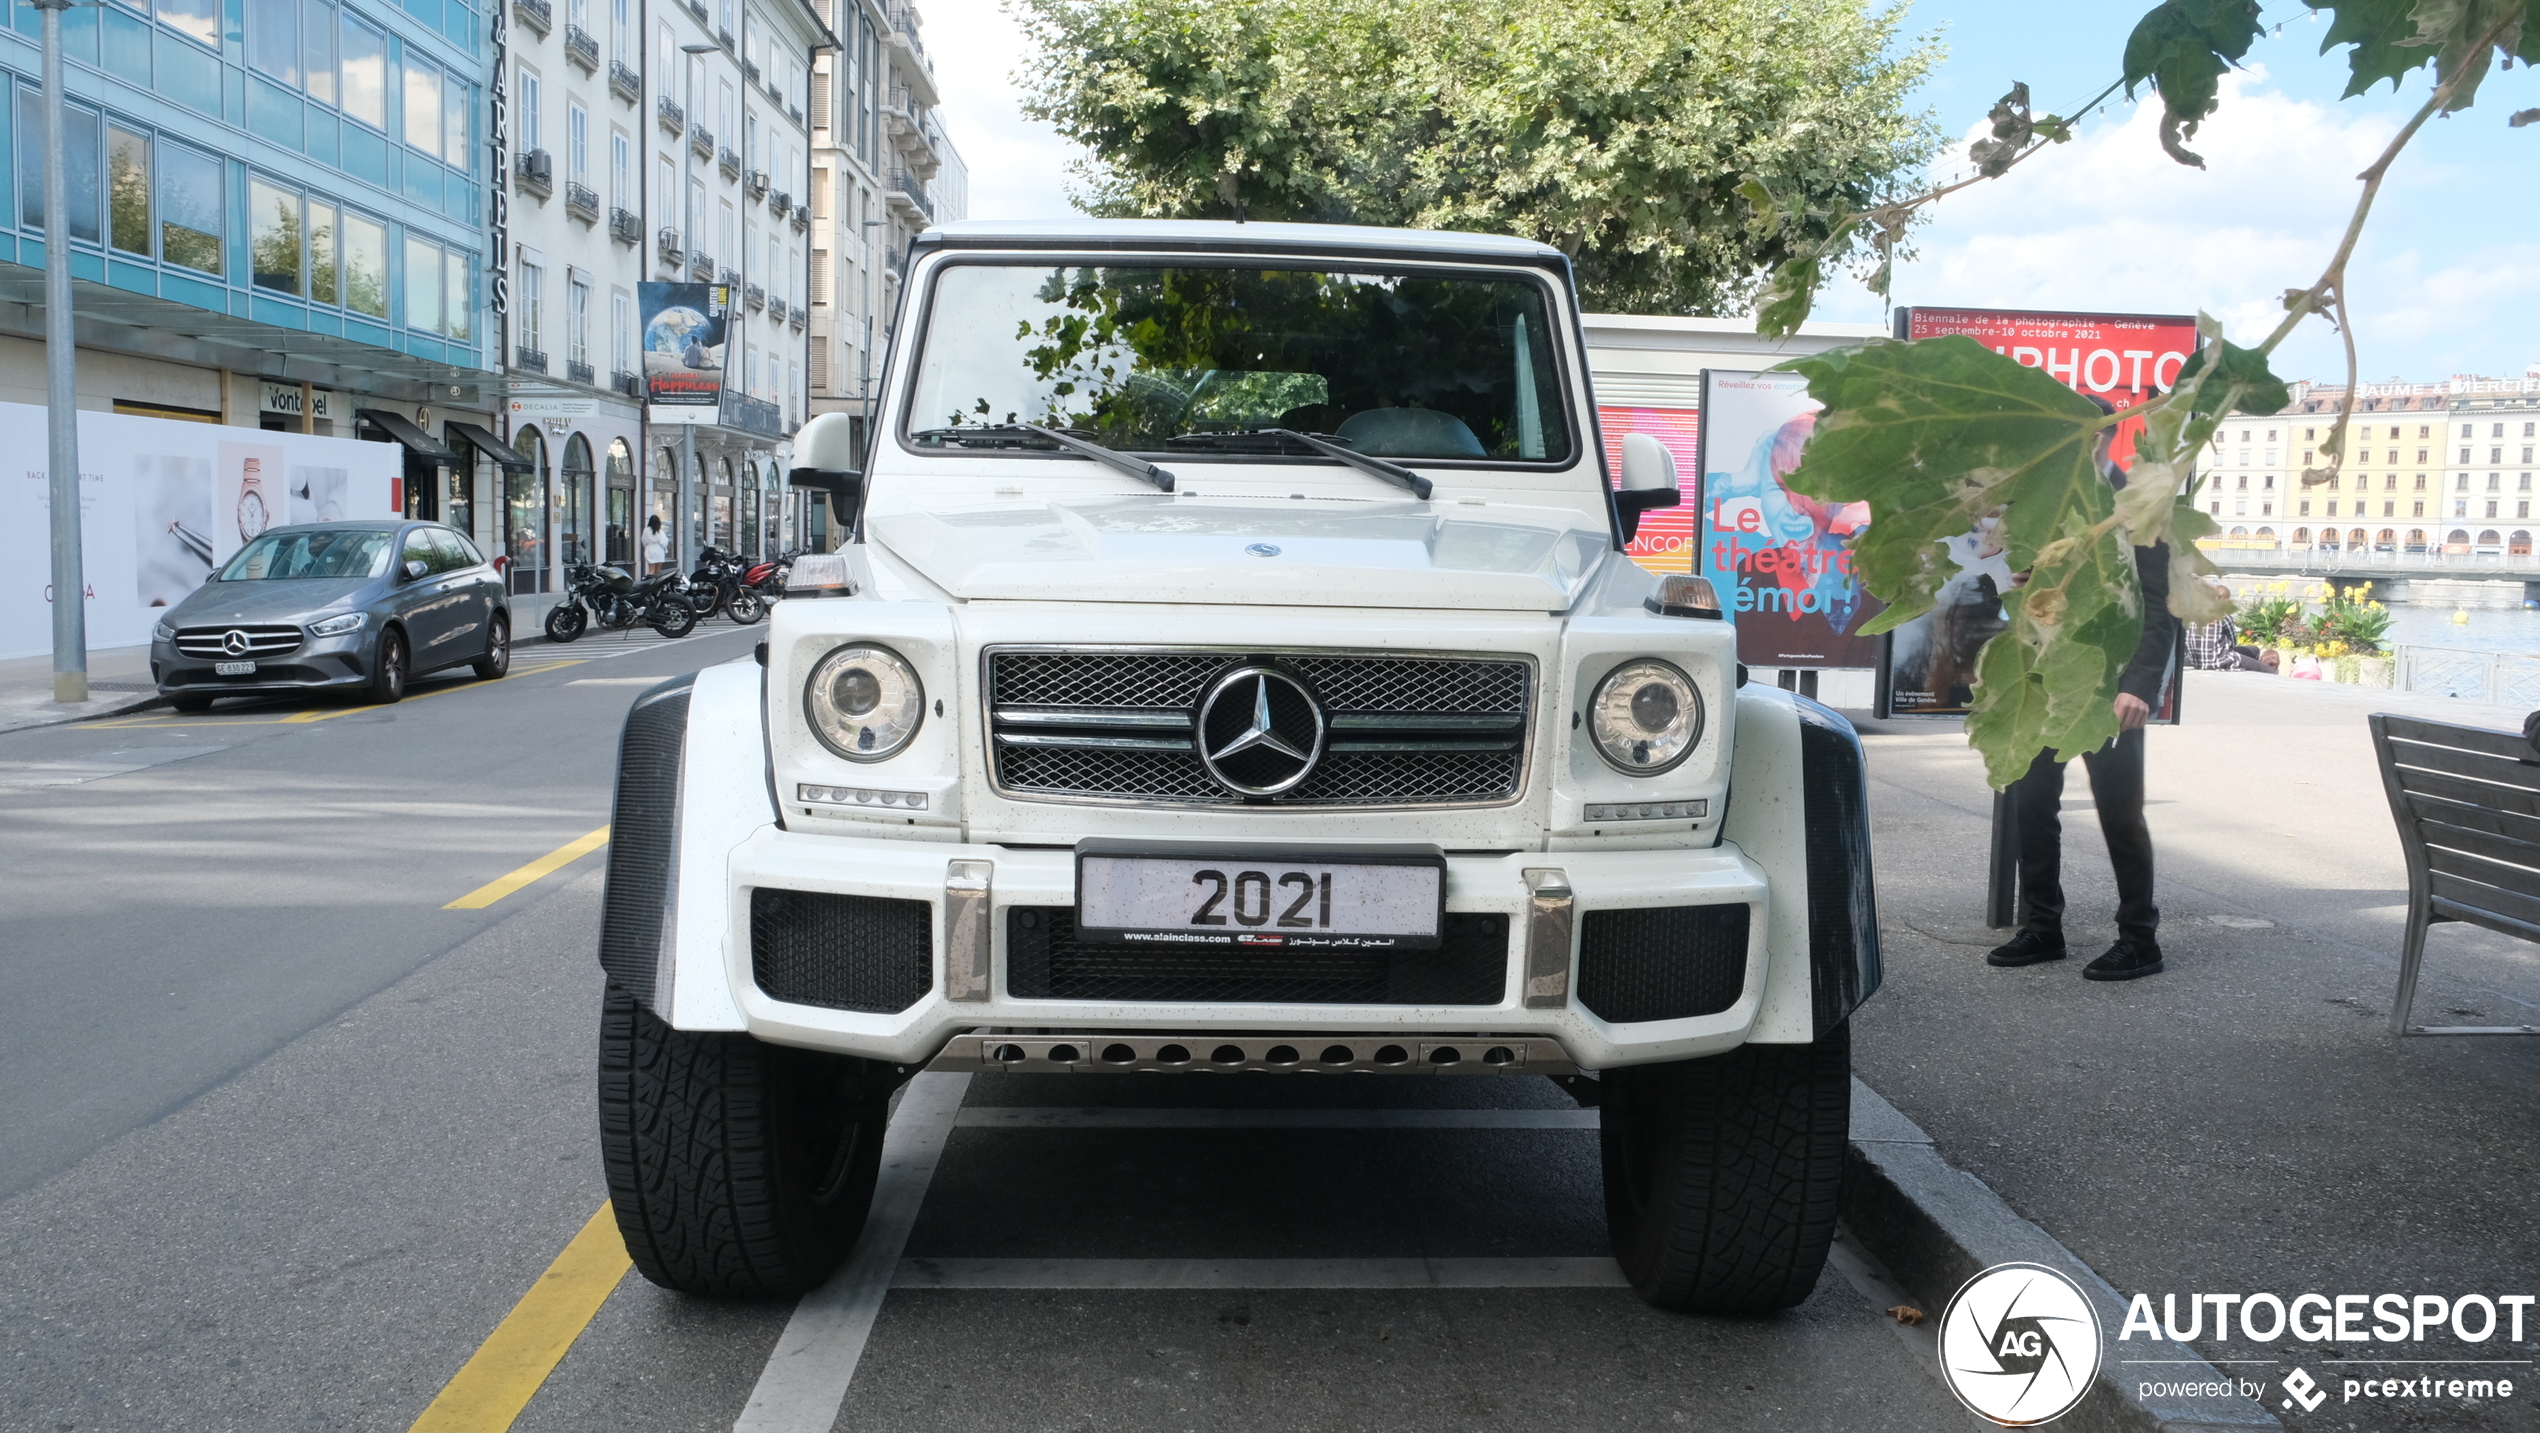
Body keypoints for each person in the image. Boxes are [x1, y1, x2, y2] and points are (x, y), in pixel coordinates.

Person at [1988, 400, 2180, 982]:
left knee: (2120, 814)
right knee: (2031, 805)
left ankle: (2140, 937)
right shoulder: (2050, 503)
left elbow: (2159, 604)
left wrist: (2140, 684)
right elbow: (2036, 584)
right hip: (2047, 676)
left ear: (2102, 436)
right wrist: (2031, 580)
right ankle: (2043, 927)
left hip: (2109, 682)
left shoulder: (2137, 506)